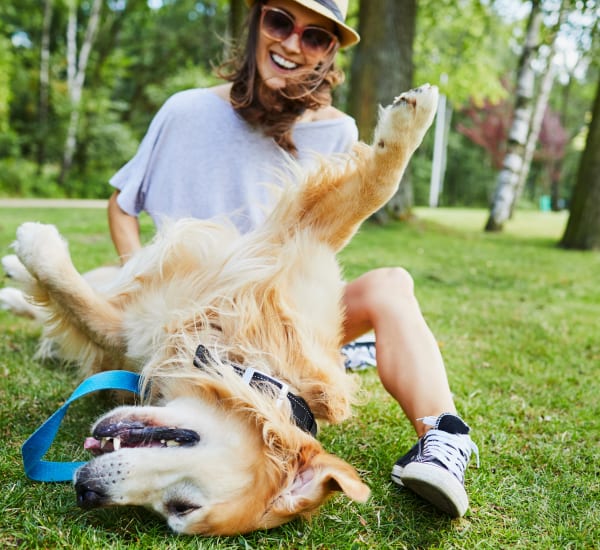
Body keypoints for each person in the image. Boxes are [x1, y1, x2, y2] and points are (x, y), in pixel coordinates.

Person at [107, 0, 478, 518]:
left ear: (330, 54)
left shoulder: (338, 131)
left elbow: (318, 247)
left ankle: (443, 441)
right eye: (280, 21)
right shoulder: (185, 110)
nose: (291, 44)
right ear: (257, 21)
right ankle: (360, 354)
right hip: (192, 315)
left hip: (278, 312)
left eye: (316, 37)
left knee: (391, 283)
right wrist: (136, 279)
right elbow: (122, 206)